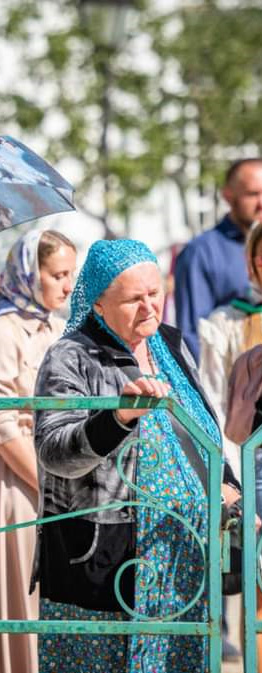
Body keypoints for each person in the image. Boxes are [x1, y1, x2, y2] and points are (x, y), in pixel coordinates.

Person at [33, 239, 241, 672]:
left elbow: (203, 430)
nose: (149, 307)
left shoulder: (169, 345)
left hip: (181, 559)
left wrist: (229, 487)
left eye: (155, 293)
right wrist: (118, 417)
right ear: (98, 305)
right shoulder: (71, 356)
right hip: (104, 559)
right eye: (133, 299)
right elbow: (54, 451)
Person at [0, 229, 77, 673]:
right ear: (31, 274)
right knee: (21, 600)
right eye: (57, 275)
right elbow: (1, 423)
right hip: (19, 478)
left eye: (70, 274)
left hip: (67, 472)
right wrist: (49, 484)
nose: (67, 285)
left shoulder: (61, 329)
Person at [174, 158, 262, 360]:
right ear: (228, 196)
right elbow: (193, 334)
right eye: (252, 194)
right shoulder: (201, 252)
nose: (261, 203)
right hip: (232, 373)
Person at [199, 222, 262, 478]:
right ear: (251, 263)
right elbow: (214, 401)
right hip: (251, 463)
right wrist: (234, 475)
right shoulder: (225, 323)